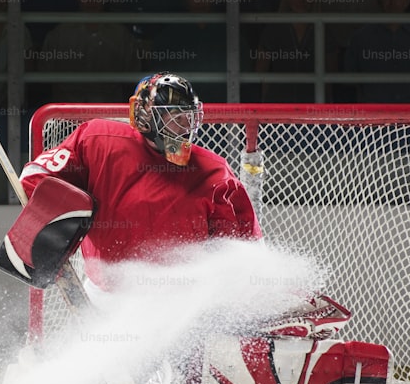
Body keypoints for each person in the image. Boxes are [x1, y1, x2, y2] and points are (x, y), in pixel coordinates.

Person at [20, 72, 262, 295]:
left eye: (189, 118)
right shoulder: (97, 140)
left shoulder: (215, 173)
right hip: (105, 296)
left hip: (184, 303)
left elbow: (244, 250)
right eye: (175, 118)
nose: (185, 128)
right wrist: (52, 232)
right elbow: (36, 176)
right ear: (145, 116)